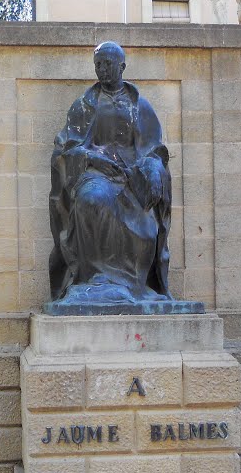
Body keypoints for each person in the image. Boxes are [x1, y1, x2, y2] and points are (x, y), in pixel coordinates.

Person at [48, 42, 173, 307]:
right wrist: (92, 158)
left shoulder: (139, 105)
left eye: (107, 64)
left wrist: (152, 167)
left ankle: (135, 285)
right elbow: (68, 147)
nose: (102, 70)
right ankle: (97, 277)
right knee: (91, 199)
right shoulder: (84, 105)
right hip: (95, 173)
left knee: (146, 221)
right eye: (98, 65)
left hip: (131, 176)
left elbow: (155, 149)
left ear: (122, 66)